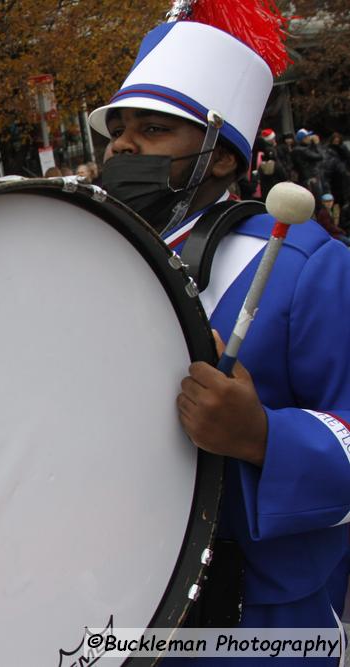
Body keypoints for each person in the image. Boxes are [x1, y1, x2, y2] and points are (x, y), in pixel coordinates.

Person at [88, 10, 350, 659]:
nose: (122, 146)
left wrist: (262, 435)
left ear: (222, 154)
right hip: (127, 604)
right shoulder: (93, 262)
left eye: (152, 129)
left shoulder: (307, 268)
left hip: (264, 620)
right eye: (117, 131)